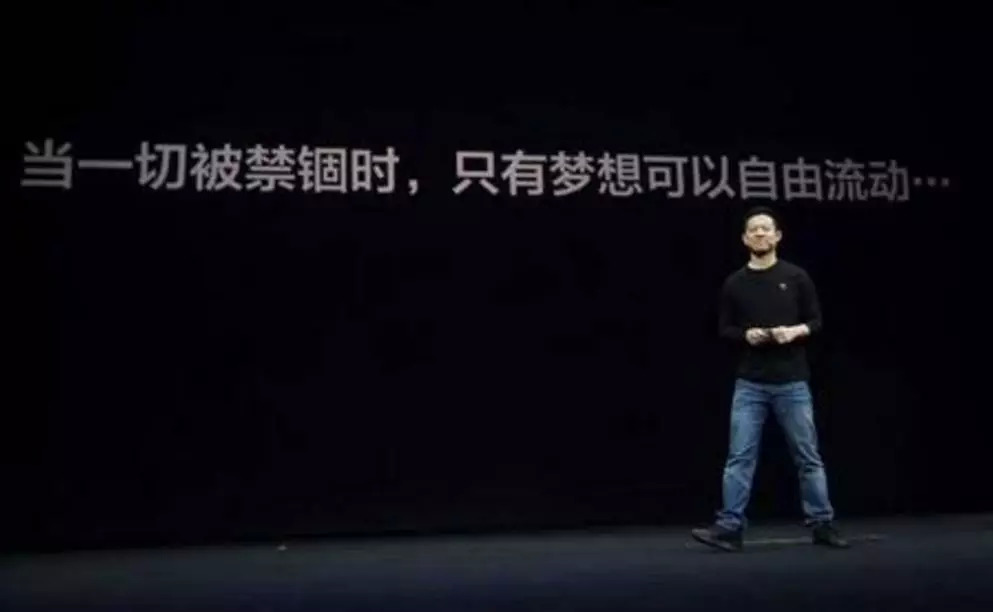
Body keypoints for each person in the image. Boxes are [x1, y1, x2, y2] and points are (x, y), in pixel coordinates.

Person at [691, 206, 849, 552]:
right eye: (754, 230)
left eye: (766, 228)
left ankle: (822, 523)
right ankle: (730, 527)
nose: (760, 234)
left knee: (807, 456)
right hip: (750, 383)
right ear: (745, 239)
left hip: (792, 381)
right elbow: (725, 328)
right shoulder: (735, 283)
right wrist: (746, 335)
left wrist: (794, 331)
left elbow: (816, 321)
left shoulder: (796, 277)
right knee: (739, 457)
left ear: (777, 236)